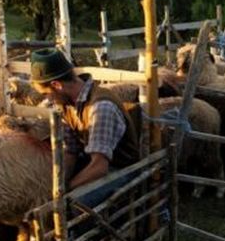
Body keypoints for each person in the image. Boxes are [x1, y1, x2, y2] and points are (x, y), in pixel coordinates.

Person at [28, 48, 142, 199]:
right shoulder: (66, 105)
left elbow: (99, 167)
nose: (47, 100)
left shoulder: (100, 108)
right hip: (91, 163)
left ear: (56, 85)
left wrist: (66, 190)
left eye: (46, 94)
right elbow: (71, 151)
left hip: (119, 170)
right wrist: (59, 183)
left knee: (74, 204)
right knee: (42, 188)